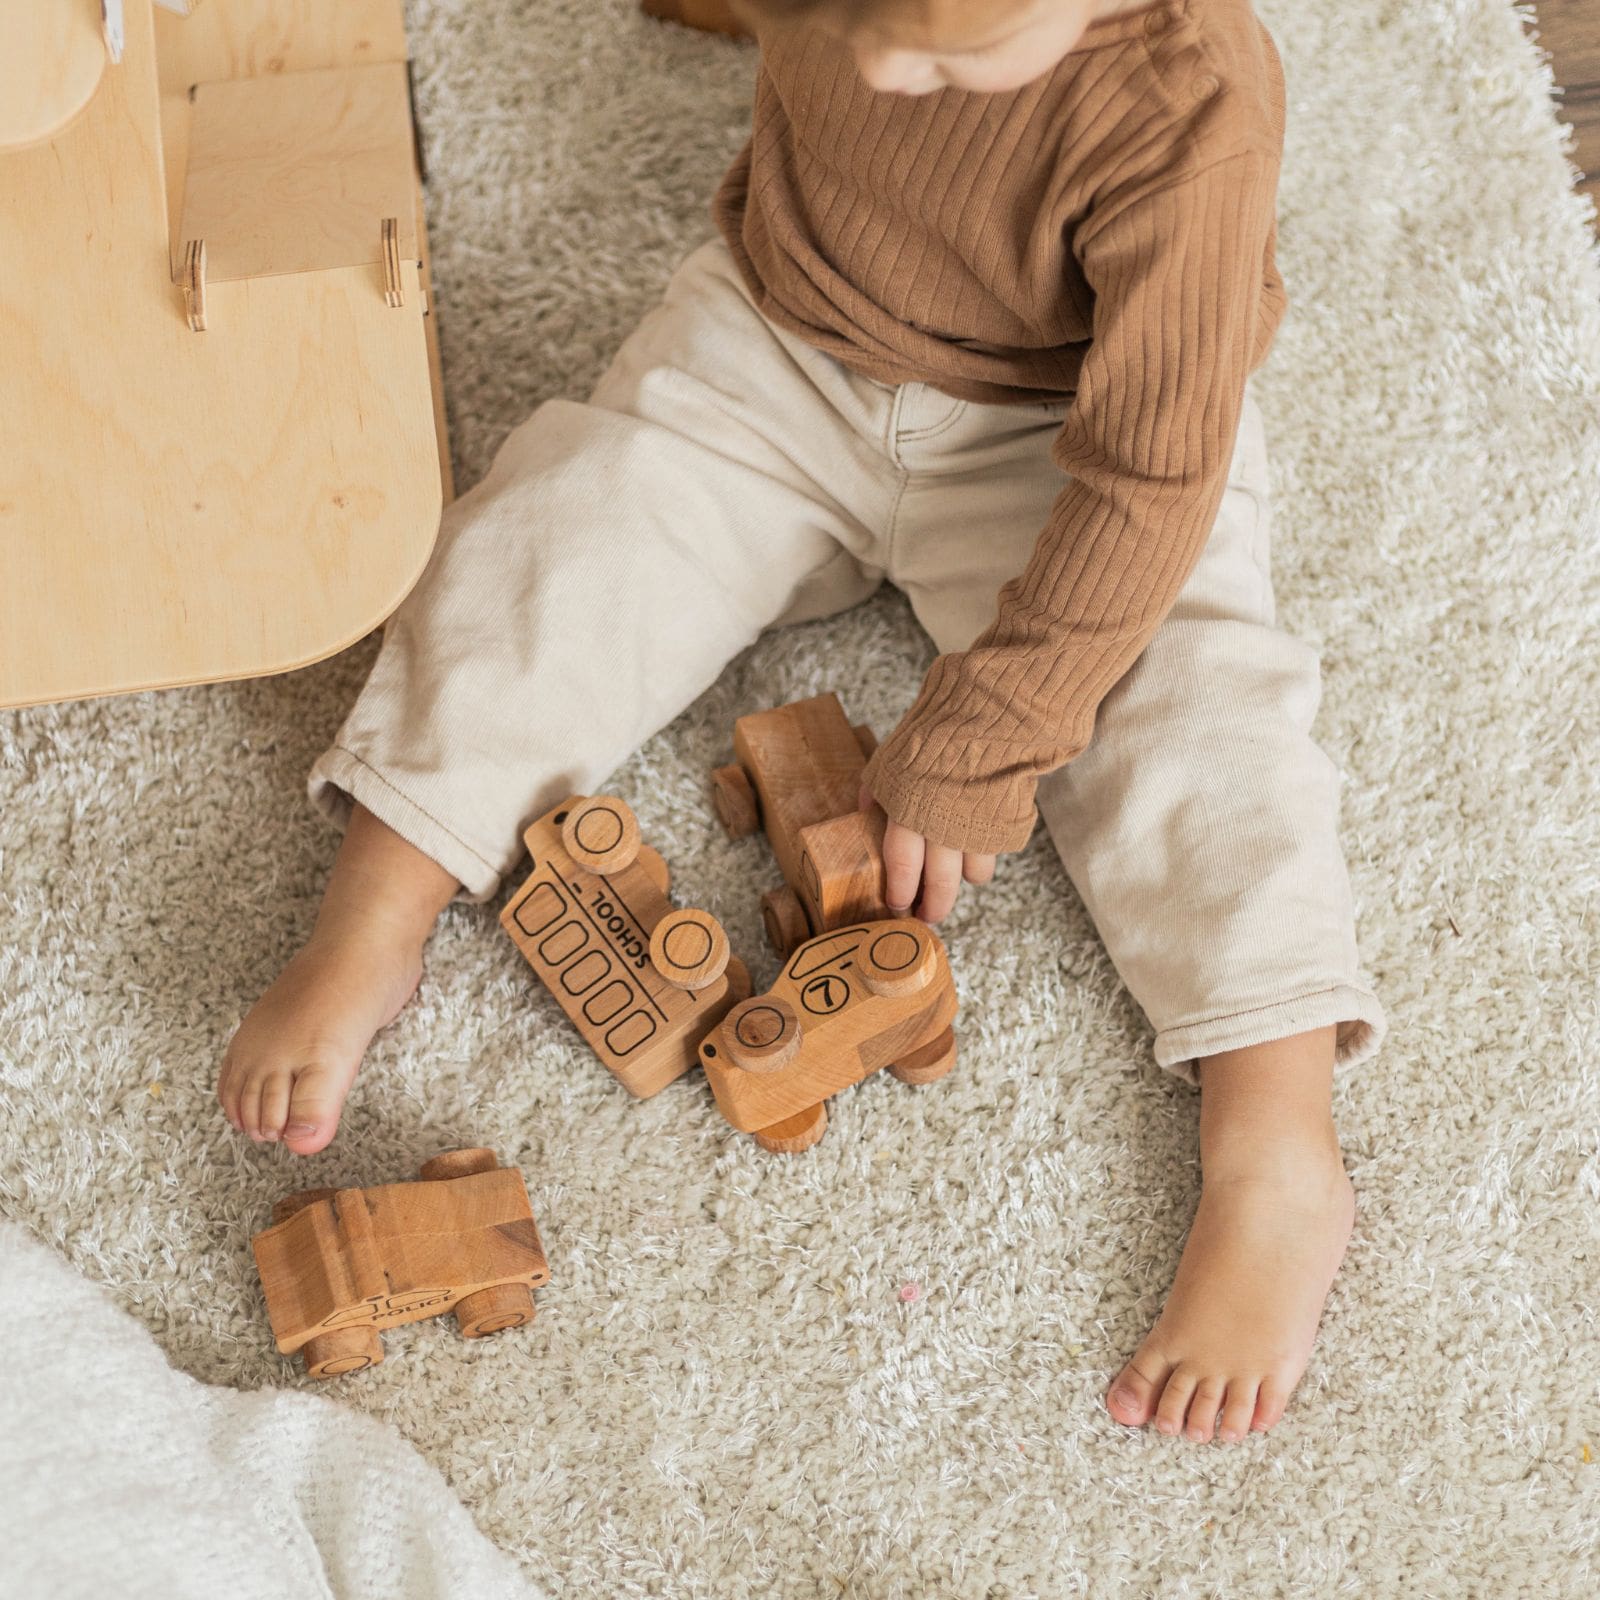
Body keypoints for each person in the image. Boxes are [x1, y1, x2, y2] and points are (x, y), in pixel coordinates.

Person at [218, 0, 1387, 1444]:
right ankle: (377, 905)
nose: (887, 69)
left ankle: (1275, 1144)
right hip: (780, 345)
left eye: (950, 55)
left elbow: (1154, 477)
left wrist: (983, 736)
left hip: (1070, 436)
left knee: (1201, 710)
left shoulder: (1187, 111)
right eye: (855, 17)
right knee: (551, 545)